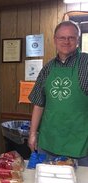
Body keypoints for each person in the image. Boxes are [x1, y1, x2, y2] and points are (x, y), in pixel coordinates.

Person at [28, 20, 88, 166]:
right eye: (62, 37)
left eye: (71, 37)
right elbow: (38, 103)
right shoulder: (47, 68)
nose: (66, 41)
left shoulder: (86, 63)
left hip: (80, 143)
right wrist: (32, 134)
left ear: (77, 40)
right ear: (55, 40)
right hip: (49, 142)